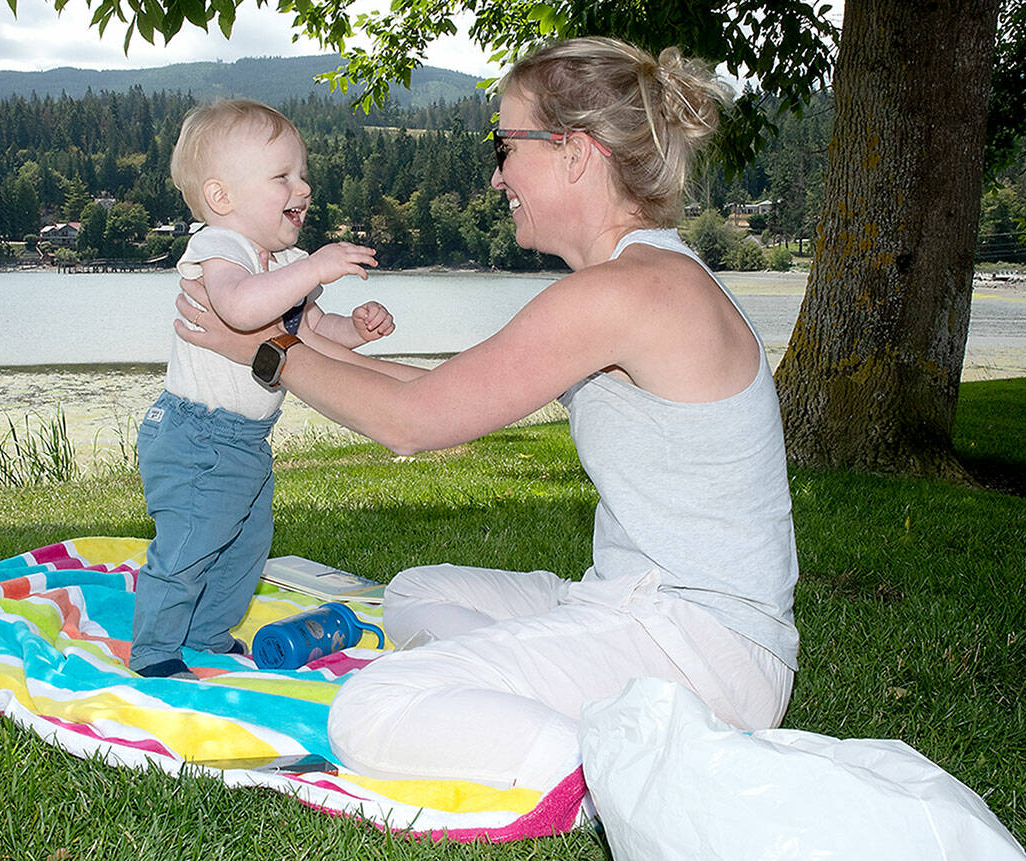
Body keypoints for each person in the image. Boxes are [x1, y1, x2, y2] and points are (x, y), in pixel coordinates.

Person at [176, 37, 799, 792]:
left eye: (505, 145)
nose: (498, 173)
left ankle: (628, 774)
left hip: (699, 650)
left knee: (373, 709)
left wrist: (267, 354)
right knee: (415, 591)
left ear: (576, 153)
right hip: (637, 606)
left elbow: (413, 421)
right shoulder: (643, 277)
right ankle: (541, 689)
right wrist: (288, 336)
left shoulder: (632, 292)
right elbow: (439, 389)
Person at [130, 99, 393, 679]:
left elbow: (305, 332)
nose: (303, 187)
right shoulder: (221, 247)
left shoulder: (286, 262)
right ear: (223, 198)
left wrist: (355, 329)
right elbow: (241, 310)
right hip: (195, 435)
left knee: (244, 547)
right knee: (192, 544)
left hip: (246, 440)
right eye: (283, 177)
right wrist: (314, 269)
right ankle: (154, 652)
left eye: (303, 174)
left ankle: (206, 634)